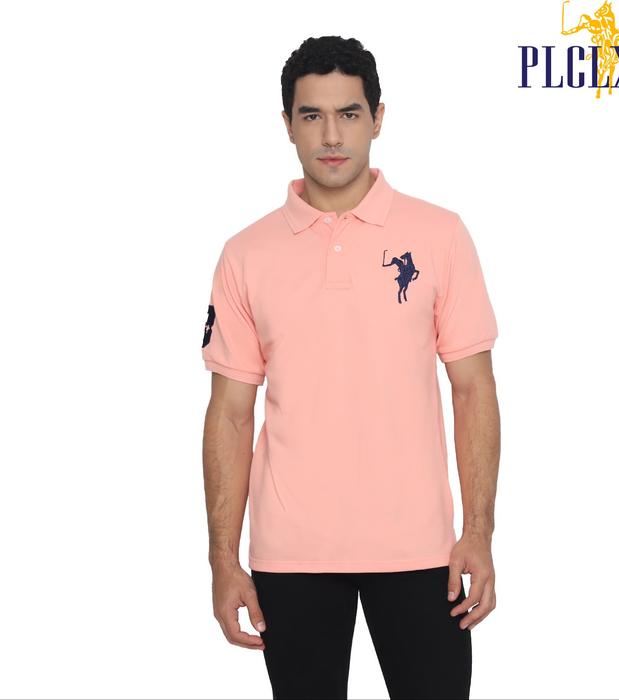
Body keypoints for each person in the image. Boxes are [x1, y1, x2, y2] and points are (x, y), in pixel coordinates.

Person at [201, 35, 501, 700]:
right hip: (290, 553)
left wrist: (478, 532)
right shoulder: (246, 254)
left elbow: (473, 389)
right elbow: (230, 412)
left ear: (378, 118)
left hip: (422, 550)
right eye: (312, 115)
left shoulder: (440, 235)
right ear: (288, 124)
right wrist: (223, 558)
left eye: (349, 113)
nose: (331, 135)